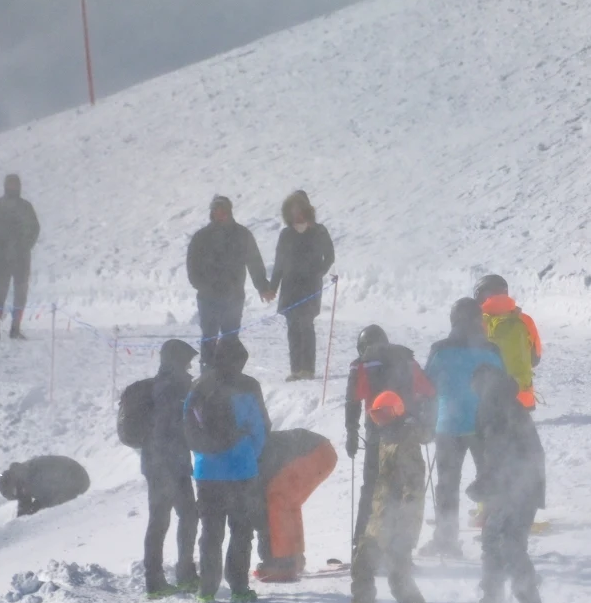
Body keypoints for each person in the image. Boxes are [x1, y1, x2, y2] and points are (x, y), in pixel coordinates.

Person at [335, 391, 435, 603]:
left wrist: (405, 529)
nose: (380, 420)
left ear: (397, 412)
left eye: (384, 414)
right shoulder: (387, 437)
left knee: (398, 577)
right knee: (362, 567)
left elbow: (413, 489)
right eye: (375, 416)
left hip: (399, 523)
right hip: (380, 518)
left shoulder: (406, 441)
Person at [455, 365, 547, 603]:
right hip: (513, 485)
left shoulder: (496, 409)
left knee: (509, 542)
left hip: (520, 486)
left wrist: (484, 485)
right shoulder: (502, 404)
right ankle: (492, 601)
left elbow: (501, 455)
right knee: (493, 538)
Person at [183, 336, 269, 603]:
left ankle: (207, 589)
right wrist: (248, 454)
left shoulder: (198, 385)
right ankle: (239, 588)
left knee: (211, 531)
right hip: (241, 469)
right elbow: (260, 426)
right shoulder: (248, 385)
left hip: (207, 471)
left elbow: (187, 426)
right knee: (241, 530)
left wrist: (204, 455)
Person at [422, 298, 504, 556]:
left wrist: (425, 419)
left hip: (448, 424)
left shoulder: (440, 350)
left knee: (447, 485)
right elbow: (502, 384)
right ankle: (495, 537)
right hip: (483, 425)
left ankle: (446, 540)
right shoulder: (491, 350)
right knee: (490, 481)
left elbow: (427, 386)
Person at [345, 326, 436, 547]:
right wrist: (426, 424)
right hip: (408, 431)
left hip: (377, 431)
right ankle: (400, 549)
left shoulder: (362, 364)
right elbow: (430, 392)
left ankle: (365, 543)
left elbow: (353, 400)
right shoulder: (407, 360)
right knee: (406, 489)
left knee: (373, 487)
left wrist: (351, 433)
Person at [141, 339, 200, 598]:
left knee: (160, 520)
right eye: (187, 361)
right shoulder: (174, 387)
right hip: (170, 464)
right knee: (186, 516)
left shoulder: (158, 384)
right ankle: (183, 574)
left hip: (155, 462)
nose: (190, 366)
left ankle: (155, 580)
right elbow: (173, 425)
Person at [186, 196, 271, 369]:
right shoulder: (201, 237)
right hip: (207, 297)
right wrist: (202, 285)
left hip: (234, 297)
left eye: (223, 211)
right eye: (216, 211)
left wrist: (262, 286)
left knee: (231, 339)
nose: (220, 215)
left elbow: (254, 262)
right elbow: (192, 266)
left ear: (229, 212)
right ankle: (207, 374)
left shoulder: (242, 235)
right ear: (212, 213)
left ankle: (230, 374)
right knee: (209, 337)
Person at [268, 190, 335, 381]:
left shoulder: (319, 231)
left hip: (310, 287)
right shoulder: (286, 234)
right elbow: (279, 263)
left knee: (306, 325)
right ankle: (296, 369)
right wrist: (272, 287)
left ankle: (308, 369)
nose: (297, 213)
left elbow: (330, 256)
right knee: (292, 327)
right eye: (293, 209)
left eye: (300, 208)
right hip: (290, 288)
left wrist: (318, 272)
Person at [255, 428, 337, 582]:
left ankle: (283, 564)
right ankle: (294, 558)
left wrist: (267, 556)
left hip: (317, 452)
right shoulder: (254, 447)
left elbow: (262, 512)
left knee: (278, 498)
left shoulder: (255, 456)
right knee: (287, 501)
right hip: (322, 451)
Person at [0, 173, 40, 340]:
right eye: (10, 184)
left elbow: (35, 229)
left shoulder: (26, 207)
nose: (13, 187)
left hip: (22, 258)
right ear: (5, 185)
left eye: (15, 184)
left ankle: (15, 329)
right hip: (2, 258)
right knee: (0, 293)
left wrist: (26, 245)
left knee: (21, 294)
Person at [474, 274, 542, 410]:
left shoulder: (475, 323)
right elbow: (535, 358)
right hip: (523, 399)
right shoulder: (525, 320)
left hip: (488, 402)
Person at [0, 456, 89, 516]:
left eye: (16, 491)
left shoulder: (32, 478)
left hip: (77, 479)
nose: (20, 493)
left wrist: (38, 506)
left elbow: (49, 497)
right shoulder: (24, 473)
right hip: (73, 476)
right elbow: (25, 501)